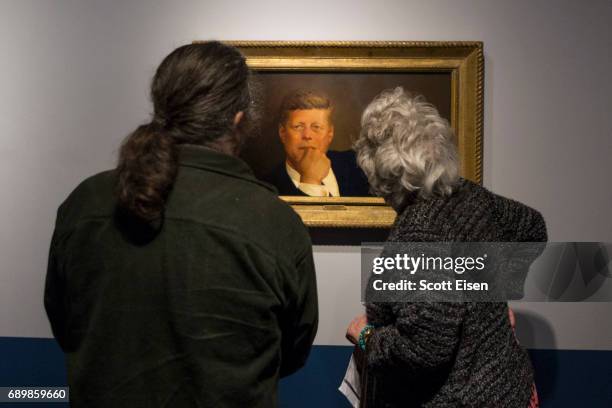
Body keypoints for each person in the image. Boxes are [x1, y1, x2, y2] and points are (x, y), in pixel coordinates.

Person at [44, 42, 318, 408]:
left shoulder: (85, 204)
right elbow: (290, 353)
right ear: (239, 121)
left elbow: (66, 327)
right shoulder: (275, 223)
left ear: (163, 109)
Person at [345, 87, 545, 407]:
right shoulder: (469, 194)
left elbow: (424, 350)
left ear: (377, 166)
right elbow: (533, 228)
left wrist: (366, 335)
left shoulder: (417, 235)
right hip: (510, 388)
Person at [263, 89, 370, 196]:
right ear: (282, 133)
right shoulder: (266, 188)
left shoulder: (360, 165)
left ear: (330, 133)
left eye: (316, 127)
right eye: (298, 127)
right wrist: (309, 181)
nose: (307, 135)